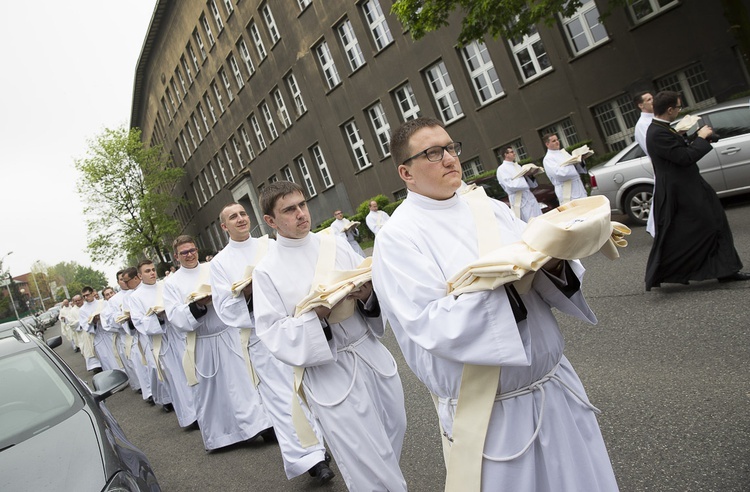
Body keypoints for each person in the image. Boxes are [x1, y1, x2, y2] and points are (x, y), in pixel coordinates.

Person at [371, 117, 618, 491]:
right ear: (406, 171)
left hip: (554, 386)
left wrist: (555, 261)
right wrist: (511, 289)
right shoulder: (397, 238)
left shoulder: (490, 209)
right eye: (433, 153)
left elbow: (539, 259)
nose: (450, 158)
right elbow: (429, 324)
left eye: (451, 148)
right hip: (490, 412)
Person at [253, 182, 407, 491]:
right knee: (362, 457)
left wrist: (366, 296)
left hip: (368, 353)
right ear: (271, 221)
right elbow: (273, 333)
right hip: (330, 371)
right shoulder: (266, 271)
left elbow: (366, 282)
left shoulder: (333, 244)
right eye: (289, 210)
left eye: (302, 205)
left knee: (393, 432)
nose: (300, 214)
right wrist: (318, 315)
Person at [209, 203, 332, 480]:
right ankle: (311, 459)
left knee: (311, 391)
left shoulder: (271, 245)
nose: (240, 219)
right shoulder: (219, 263)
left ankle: (325, 442)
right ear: (224, 226)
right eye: (232, 217)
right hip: (259, 341)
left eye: (242, 214)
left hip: (292, 328)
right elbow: (225, 308)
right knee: (283, 401)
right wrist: (250, 293)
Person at [165, 234, 277, 451]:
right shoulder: (172, 283)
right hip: (203, 342)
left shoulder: (213, 267)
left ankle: (262, 426)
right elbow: (174, 316)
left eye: (192, 250)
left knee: (244, 384)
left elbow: (230, 290)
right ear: (176, 257)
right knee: (212, 392)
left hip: (229, 334)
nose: (189, 255)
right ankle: (221, 436)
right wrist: (198, 306)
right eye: (184, 253)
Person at [645, 91, 749, 290]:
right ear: (669, 110)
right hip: (682, 190)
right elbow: (684, 158)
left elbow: (677, 150)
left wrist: (696, 137)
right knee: (706, 226)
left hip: (688, 186)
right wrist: (700, 139)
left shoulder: (661, 128)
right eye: (678, 107)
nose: (679, 110)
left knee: (711, 224)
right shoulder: (657, 132)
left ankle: (726, 270)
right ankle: (719, 270)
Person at [128, 260, 174, 411]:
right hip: (157, 341)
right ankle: (167, 400)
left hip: (175, 335)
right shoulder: (136, 297)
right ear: (140, 276)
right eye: (147, 271)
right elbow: (138, 322)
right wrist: (158, 317)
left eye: (153, 269)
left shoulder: (165, 286)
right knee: (162, 372)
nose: (152, 273)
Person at [102, 270, 141, 393]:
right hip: (127, 335)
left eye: (125, 279)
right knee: (134, 363)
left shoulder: (137, 291)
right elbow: (112, 321)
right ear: (118, 282)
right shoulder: (114, 300)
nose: (124, 282)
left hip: (144, 332)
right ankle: (141, 387)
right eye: (121, 280)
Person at [120, 267, 155, 404]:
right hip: (143, 336)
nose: (125, 285)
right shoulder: (128, 297)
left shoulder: (152, 288)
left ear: (136, 278)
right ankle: (159, 397)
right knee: (150, 365)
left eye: (126, 281)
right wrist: (129, 321)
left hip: (161, 332)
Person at [495, 147, 543, 221]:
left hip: (529, 196)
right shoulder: (502, 169)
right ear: (506, 155)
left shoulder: (517, 166)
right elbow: (509, 185)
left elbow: (527, 183)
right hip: (518, 199)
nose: (514, 153)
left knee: (540, 219)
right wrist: (523, 177)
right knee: (529, 222)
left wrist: (530, 175)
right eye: (511, 152)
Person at [633, 91, 657, 236]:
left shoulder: (655, 118)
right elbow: (651, 146)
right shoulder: (642, 125)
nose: (653, 100)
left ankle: (654, 227)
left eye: (652, 98)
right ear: (641, 105)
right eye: (649, 99)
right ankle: (654, 228)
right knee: (662, 194)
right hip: (660, 163)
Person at [542, 133, 588, 204]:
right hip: (566, 190)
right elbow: (558, 174)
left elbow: (575, 167)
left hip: (578, 186)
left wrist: (580, 161)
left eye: (557, 140)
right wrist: (572, 165)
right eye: (554, 141)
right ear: (547, 144)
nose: (557, 142)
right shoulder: (548, 159)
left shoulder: (563, 153)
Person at [77, 287, 104, 373]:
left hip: (108, 333)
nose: (85, 298)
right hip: (97, 336)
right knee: (104, 359)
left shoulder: (102, 303)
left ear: (92, 293)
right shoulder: (82, 310)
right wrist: (93, 322)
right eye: (84, 296)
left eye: (87, 295)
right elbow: (85, 325)